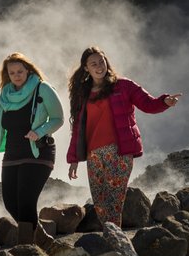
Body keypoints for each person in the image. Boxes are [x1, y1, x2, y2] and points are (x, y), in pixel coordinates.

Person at [65, 47, 181, 228]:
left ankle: (116, 242)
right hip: (93, 155)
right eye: (93, 64)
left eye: (101, 62)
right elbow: (78, 129)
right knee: (100, 202)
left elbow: (148, 104)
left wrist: (164, 101)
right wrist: (73, 159)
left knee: (114, 199)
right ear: (86, 68)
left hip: (119, 152)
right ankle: (112, 237)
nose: (99, 66)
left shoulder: (123, 86)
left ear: (106, 62)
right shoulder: (83, 94)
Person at [0, 52, 63, 246]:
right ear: (7, 75)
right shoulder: (6, 96)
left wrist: (40, 131)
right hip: (12, 154)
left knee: (26, 201)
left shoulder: (42, 89)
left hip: (38, 153)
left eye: (20, 71)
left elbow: (58, 118)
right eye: (12, 72)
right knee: (10, 202)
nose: (17, 75)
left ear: (28, 70)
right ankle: (41, 238)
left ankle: (26, 250)